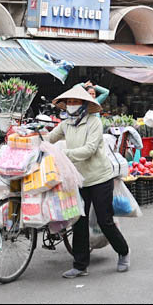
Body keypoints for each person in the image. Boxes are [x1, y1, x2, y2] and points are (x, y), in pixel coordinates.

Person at [46, 86, 130, 278]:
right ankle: (80, 265)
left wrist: (63, 153)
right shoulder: (66, 124)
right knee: (79, 221)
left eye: (75, 102)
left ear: (84, 104)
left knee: (104, 220)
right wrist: (33, 138)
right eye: (69, 102)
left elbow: (90, 149)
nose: (71, 105)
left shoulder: (94, 123)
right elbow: (50, 138)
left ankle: (123, 251)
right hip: (79, 179)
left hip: (100, 178)